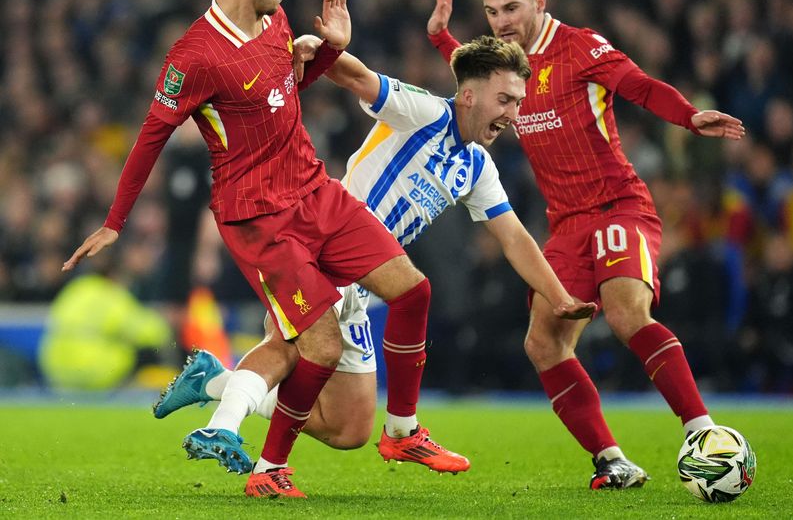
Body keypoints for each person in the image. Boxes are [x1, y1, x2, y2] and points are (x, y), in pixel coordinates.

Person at [62, 0, 464, 499]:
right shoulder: (194, 55)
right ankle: (268, 470)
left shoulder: (276, 25)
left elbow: (278, 94)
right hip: (259, 217)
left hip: (315, 191)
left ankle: (402, 430)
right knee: (319, 344)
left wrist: (329, 50)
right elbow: (151, 135)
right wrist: (114, 223)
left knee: (413, 290)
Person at [154, 35, 597, 498]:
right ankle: (271, 462)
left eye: (518, 102)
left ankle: (217, 382)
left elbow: (514, 238)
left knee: (348, 429)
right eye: (505, 99)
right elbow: (358, 77)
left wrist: (558, 296)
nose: (513, 113)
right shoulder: (423, 112)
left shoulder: (476, 167)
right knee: (290, 349)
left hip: (367, 284)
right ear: (469, 95)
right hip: (324, 250)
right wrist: (322, 46)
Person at [425, 0, 746, 489]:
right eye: (491, 12)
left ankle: (703, 431)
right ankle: (612, 459)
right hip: (566, 225)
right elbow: (470, 75)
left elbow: (639, 86)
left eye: (511, 8)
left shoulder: (581, 47)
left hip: (618, 205)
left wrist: (689, 115)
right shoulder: (508, 68)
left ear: (539, 3)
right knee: (542, 343)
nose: (501, 21)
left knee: (624, 314)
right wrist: (440, 36)